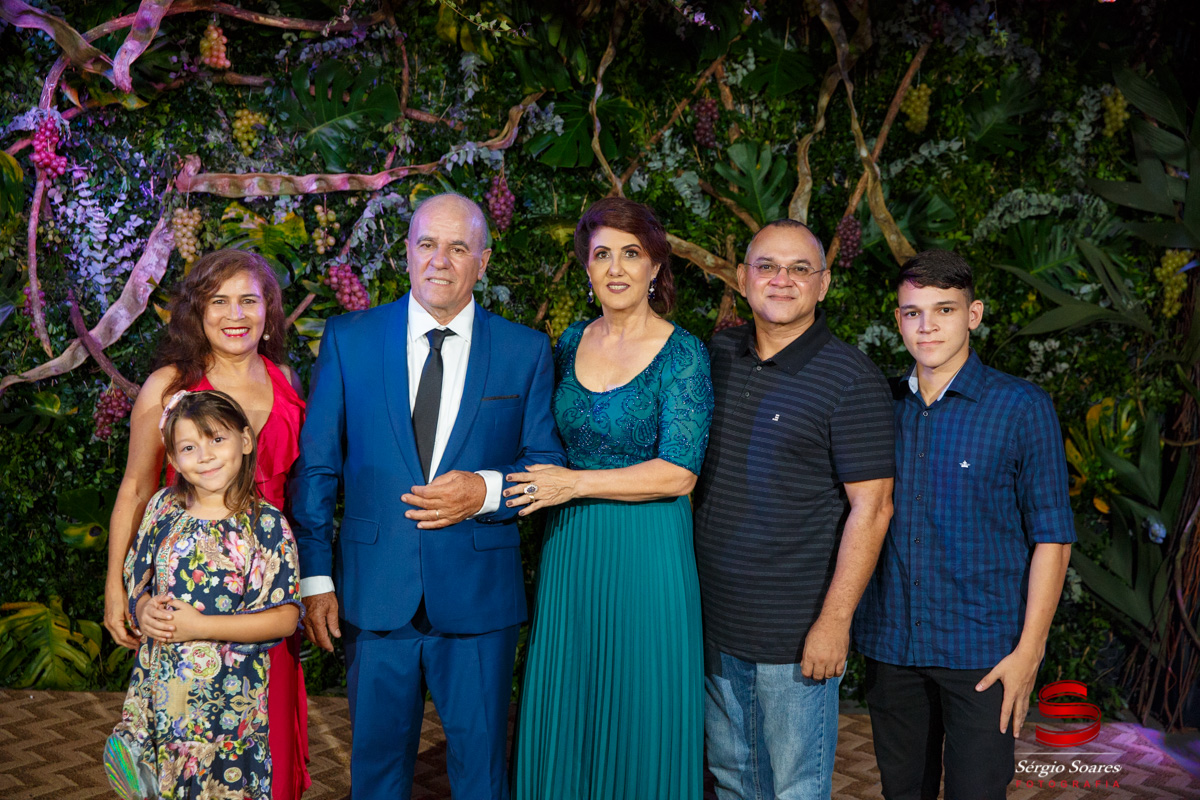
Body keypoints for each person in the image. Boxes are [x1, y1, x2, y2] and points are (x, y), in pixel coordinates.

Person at [289, 192, 565, 800]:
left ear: (483, 262)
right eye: (427, 244)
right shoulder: (349, 339)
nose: (440, 260)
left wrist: (484, 490)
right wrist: (315, 579)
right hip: (372, 593)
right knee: (376, 778)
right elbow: (317, 468)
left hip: (478, 601)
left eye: (458, 247)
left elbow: (545, 464)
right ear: (408, 254)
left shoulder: (524, 350)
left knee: (481, 777)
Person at [508, 197, 714, 800]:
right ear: (587, 268)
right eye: (602, 255)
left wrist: (574, 483)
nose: (616, 268)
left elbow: (679, 473)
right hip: (572, 548)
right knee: (570, 695)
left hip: (648, 550)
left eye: (631, 253)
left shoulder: (684, 353)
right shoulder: (570, 340)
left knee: (640, 702)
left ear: (656, 267)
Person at [853, 249, 1074, 800]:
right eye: (912, 312)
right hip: (892, 646)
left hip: (985, 652)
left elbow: (1053, 538)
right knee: (903, 793)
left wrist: (1029, 653)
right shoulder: (878, 405)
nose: (926, 326)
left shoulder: (1021, 407)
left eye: (944, 310)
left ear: (973, 315)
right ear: (897, 319)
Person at [694, 219, 895, 800]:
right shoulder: (716, 356)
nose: (781, 280)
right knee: (733, 780)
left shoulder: (850, 379)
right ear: (742, 278)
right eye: (767, 266)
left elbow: (873, 509)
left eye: (800, 269)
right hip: (714, 623)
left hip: (794, 635)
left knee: (796, 788)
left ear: (823, 284)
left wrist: (834, 623)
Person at [104, 249, 311, 799]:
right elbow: (136, 490)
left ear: (269, 310)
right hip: (188, 592)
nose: (235, 314)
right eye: (218, 301)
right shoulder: (168, 386)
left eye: (249, 300)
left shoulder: (287, 380)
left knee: (262, 752)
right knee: (183, 750)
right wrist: (117, 589)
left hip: (261, 591)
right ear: (198, 311)